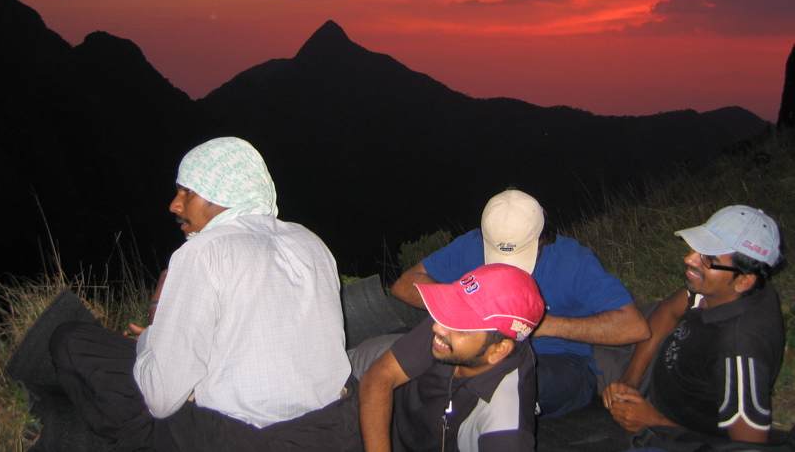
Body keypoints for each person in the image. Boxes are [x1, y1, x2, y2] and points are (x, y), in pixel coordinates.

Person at [49, 136, 359, 451]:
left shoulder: (203, 252)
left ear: (224, 195)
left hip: (248, 439)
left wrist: (152, 336)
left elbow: (161, 399)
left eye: (188, 192)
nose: (175, 204)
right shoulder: (311, 242)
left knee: (72, 342)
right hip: (334, 429)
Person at [391, 189, 649, 417]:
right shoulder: (471, 245)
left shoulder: (572, 260)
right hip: (479, 350)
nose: (507, 267)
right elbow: (404, 285)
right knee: (418, 367)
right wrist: (465, 304)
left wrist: (543, 325)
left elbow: (634, 327)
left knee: (505, 382)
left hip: (557, 361)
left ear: (541, 236)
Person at [602, 205, 785, 446]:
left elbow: (747, 447)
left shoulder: (740, 349)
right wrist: (631, 381)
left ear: (743, 281)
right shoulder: (722, 291)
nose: (689, 258)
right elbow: (668, 311)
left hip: (681, 436)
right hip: (664, 393)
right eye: (698, 248)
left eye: (709, 258)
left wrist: (654, 422)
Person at [360, 263, 545, 452]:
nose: (437, 327)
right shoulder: (447, 326)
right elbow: (379, 376)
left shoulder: (506, 426)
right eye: (452, 307)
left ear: (498, 351)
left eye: (462, 325)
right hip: (379, 419)